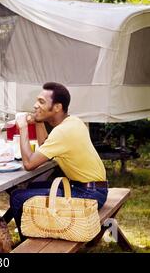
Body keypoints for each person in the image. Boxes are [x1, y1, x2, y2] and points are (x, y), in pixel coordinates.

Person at [10, 82, 108, 240]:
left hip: (89, 195)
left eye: (41, 102)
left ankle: (30, 247)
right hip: (92, 187)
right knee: (32, 187)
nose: (35, 105)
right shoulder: (73, 122)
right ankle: (34, 234)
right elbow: (45, 146)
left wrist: (23, 128)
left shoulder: (63, 132)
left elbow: (29, 164)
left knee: (18, 197)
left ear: (57, 107)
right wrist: (39, 122)